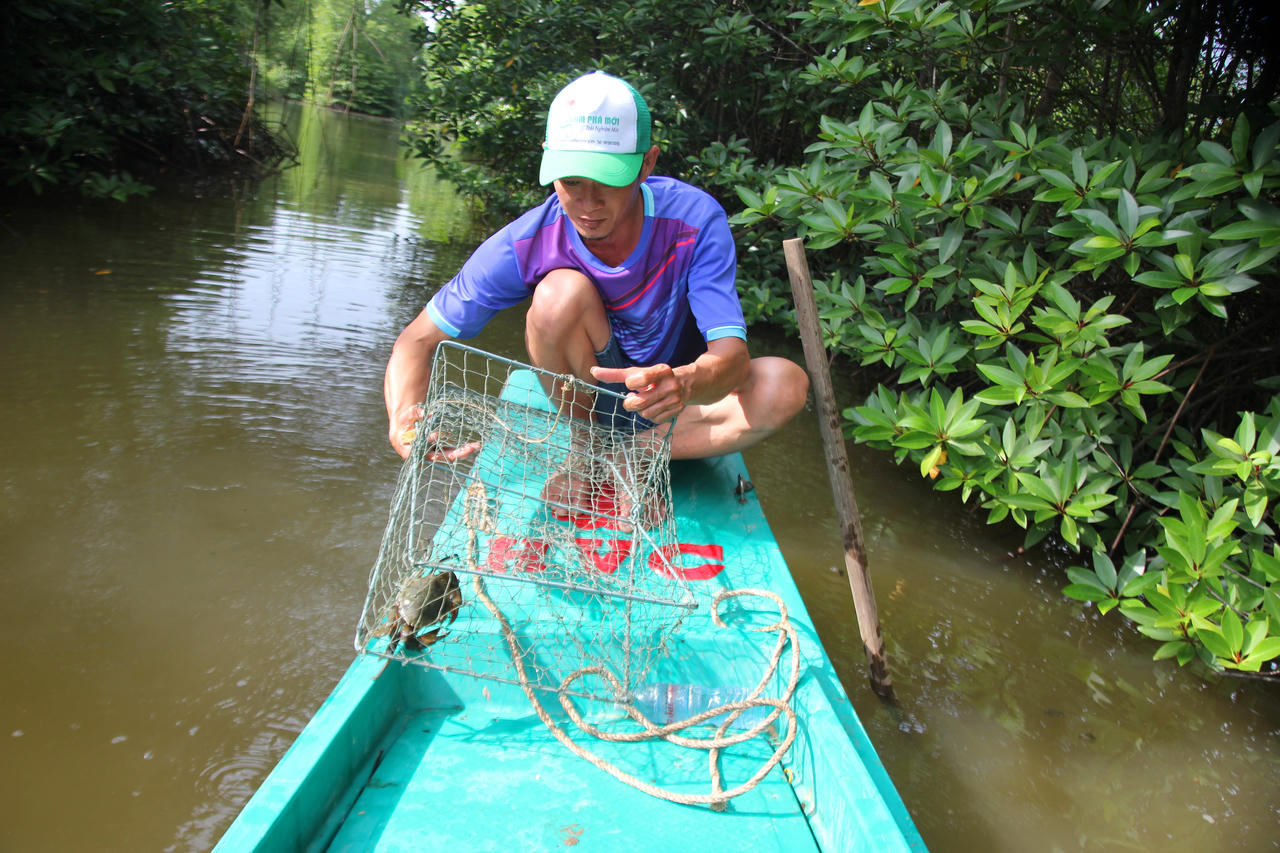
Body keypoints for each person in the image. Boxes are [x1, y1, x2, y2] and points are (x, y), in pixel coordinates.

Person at [383, 70, 808, 467]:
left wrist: (686, 382)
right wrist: (405, 418)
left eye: (608, 181)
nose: (588, 204)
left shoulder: (694, 222)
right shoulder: (528, 241)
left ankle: (638, 454)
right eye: (571, 182)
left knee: (784, 384)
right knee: (556, 295)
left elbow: (731, 359)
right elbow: (417, 340)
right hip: (588, 402)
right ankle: (584, 454)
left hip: (672, 404)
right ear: (550, 166)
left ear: (646, 164)